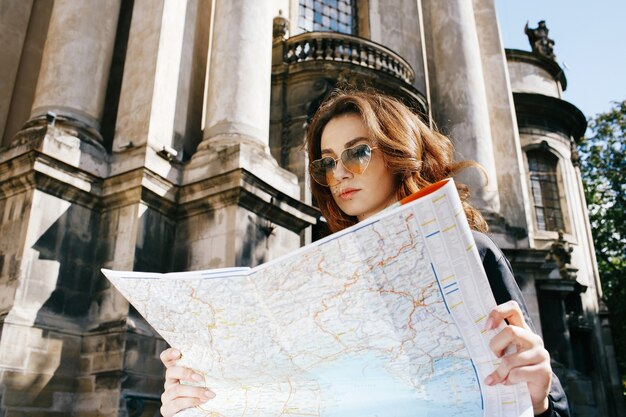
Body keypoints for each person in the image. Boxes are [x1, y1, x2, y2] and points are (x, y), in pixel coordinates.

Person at [159, 90, 570, 417]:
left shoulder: (470, 255)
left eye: (357, 152)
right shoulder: (312, 277)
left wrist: (537, 401)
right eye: (327, 162)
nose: (339, 173)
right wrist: (198, 402)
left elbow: (545, 404)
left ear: (397, 151)